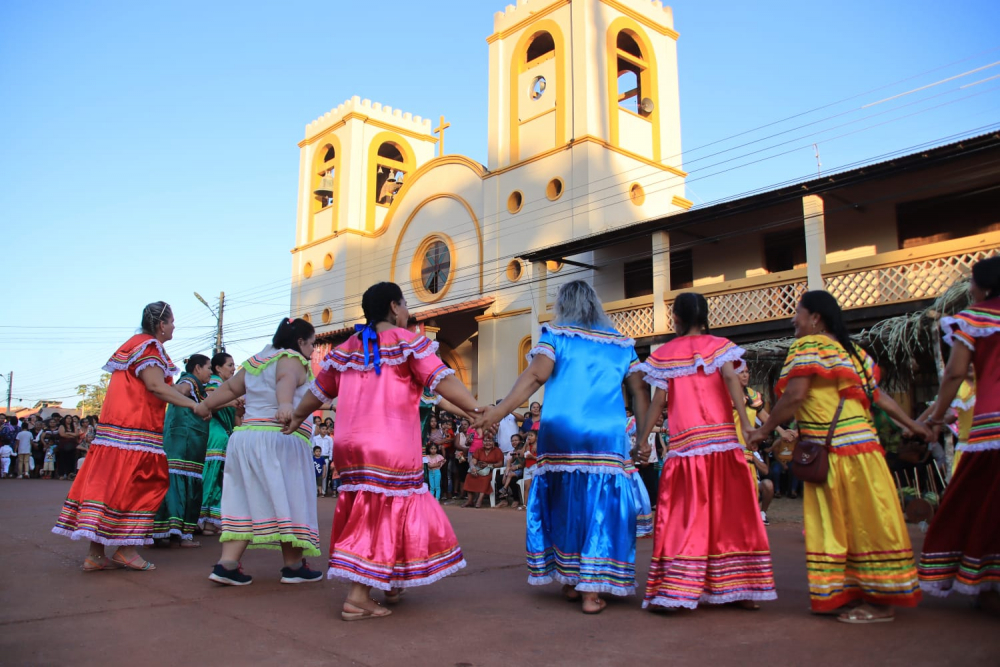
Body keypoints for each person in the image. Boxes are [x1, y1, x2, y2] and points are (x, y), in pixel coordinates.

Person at [282, 282, 482, 620]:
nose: (407, 312)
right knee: (387, 509)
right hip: (389, 444)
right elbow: (441, 380)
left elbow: (319, 392)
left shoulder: (347, 347)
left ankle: (390, 579)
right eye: (405, 305)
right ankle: (358, 595)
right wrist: (478, 409)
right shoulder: (408, 343)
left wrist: (297, 417)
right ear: (394, 306)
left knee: (369, 506)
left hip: (350, 444)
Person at [749, 290, 931, 623]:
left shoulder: (808, 347)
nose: (794, 320)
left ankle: (876, 603)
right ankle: (858, 593)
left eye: (798, 313)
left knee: (843, 523)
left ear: (815, 318)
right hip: (865, 453)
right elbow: (881, 398)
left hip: (837, 456)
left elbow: (795, 395)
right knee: (864, 522)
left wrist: (763, 430)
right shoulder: (855, 353)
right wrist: (914, 424)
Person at [476, 280, 652, 615]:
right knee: (601, 505)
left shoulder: (555, 335)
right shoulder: (622, 344)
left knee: (566, 501)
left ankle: (571, 580)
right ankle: (591, 588)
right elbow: (640, 392)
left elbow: (535, 376)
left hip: (560, 430)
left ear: (563, 305)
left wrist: (498, 411)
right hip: (605, 433)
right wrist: (642, 439)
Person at [635, 292, 776, 612]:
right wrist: (746, 425)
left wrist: (642, 440)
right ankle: (741, 588)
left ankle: (676, 591)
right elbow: (732, 382)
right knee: (733, 516)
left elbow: (659, 402)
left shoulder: (667, 353)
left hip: (687, 447)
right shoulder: (721, 346)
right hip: (724, 445)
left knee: (684, 519)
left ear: (678, 320)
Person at [53, 302, 202, 571]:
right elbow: (156, 386)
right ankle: (126, 549)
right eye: (172, 321)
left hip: (117, 432)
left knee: (109, 487)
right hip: (136, 433)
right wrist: (193, 405)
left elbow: (157, 386)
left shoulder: (133, 345)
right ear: (161, 325)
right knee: (141, 486)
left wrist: (189, 390)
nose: (174, 326)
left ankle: (96, 554)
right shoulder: (150, 347)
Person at [196, 318, 324, 587]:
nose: (312, 351)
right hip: (279, 439)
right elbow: (285, 379)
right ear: (300, 342)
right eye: (312, 344)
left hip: (247, 439)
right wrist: (286, 404)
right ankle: (293, 566)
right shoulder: (292, 359)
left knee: (243, 499)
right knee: (291, 499)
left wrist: (207, 405)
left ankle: (227, 564)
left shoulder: (257, 360)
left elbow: (231, 388)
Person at [917, 256, 1000, 610]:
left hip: (991, 426)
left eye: (971, 283)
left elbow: (954, 373)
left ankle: (989, 582)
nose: (969, 289)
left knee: (981, 504)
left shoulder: (976, 318)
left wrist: (934, 418)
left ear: (983, 287)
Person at [152, 354, 213, 547]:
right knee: (182, 482)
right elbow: (181, 390)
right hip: (184, 442)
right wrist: (166, 388)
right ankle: (179, 532)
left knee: (181, 480)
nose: (210, 372)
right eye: (208, 367)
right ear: (197, 369)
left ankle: (169, 530)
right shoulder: (189, 381)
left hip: (188, 442)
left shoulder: (198, 387)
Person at [200, 352, 239, 536]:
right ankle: (206, 521)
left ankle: (209, 522)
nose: (233, 369)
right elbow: (208, 405)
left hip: (222, 433)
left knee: (217, 476)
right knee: (213, 476)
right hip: (216, 434)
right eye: (230, 365)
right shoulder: (214, 386)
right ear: (218, 368)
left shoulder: (224, 386)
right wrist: (231, 402)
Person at [462, 430, 503, 508]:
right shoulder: (479, 450)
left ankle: (479, 500)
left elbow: (500, 464)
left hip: (491, 471)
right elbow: (473, 460)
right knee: (469, 476)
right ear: (482, 442)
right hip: (479, 470)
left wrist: (489, 465)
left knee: (484, 479)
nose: (488, 443)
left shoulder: (497, 451)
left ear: (493, 442)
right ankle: (470, 500)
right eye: (485, 441)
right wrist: (473, 468)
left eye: (490, 441)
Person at [55, 415, 83, 480]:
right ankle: (61, 474)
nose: (69, 420)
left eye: (70, 418)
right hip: (63, 445)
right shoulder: (62, 426)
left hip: (72, 445)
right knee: (62, 460)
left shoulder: (74, 426)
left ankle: (69, 474)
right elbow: (62, 434)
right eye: (67, 418)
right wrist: (71, 434)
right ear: (65, 419)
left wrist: (67, 433)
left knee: (71, 460)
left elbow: (76, 434)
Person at [311, 424, 333, 496]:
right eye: (323, 429)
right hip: (316, 458)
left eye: (325, 429)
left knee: (324, 475)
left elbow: (331, 449)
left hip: (325, 458)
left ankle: (323, 491)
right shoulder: (315, 438)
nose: (324, 430)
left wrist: (330, 459)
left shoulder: (329, 439)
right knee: (315, 474)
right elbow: (312, 448)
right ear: (319, 429)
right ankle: (315, 490)